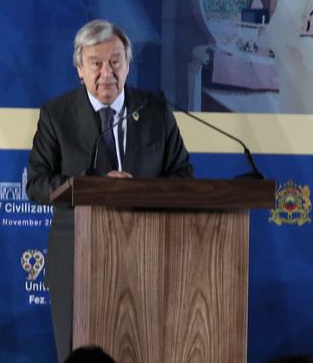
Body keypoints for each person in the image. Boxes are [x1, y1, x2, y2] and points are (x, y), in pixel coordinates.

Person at [26, 19, 193, 362]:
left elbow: (182, 176)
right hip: (76, 259)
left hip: (148, 255)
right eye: (96, 63)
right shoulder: (57, 115)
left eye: (115, 61)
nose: (107, 73)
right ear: (79, 69)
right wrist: (92, 189)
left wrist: (141, 191)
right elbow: (37, 183)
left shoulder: (155, 111)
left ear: (128, 64)